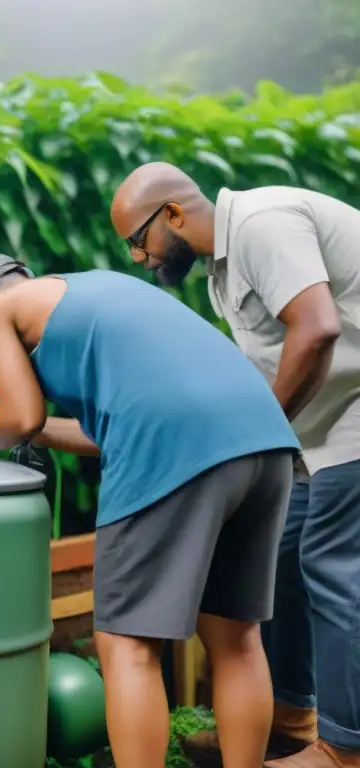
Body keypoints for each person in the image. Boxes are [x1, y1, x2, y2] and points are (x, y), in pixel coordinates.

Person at [0, 253, 300, 768]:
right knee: (235, 637)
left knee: (126, 644)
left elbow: (20, 416)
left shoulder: (1, 309)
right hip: (264, 439)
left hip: (177, 445)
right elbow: (98, 426)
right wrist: (36, 429)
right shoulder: (94, 291)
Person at [110, 162, 360, 768]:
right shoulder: (220, 273)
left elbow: (319, 328)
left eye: (138, 241)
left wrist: (263, 433)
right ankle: (293, 715)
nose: (140, 259)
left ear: (172, 214)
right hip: (319, 431)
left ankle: (347, 748)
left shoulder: (261, 224)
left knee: (329, 562)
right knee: (277, 553)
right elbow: (260, 368)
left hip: (354, 416)